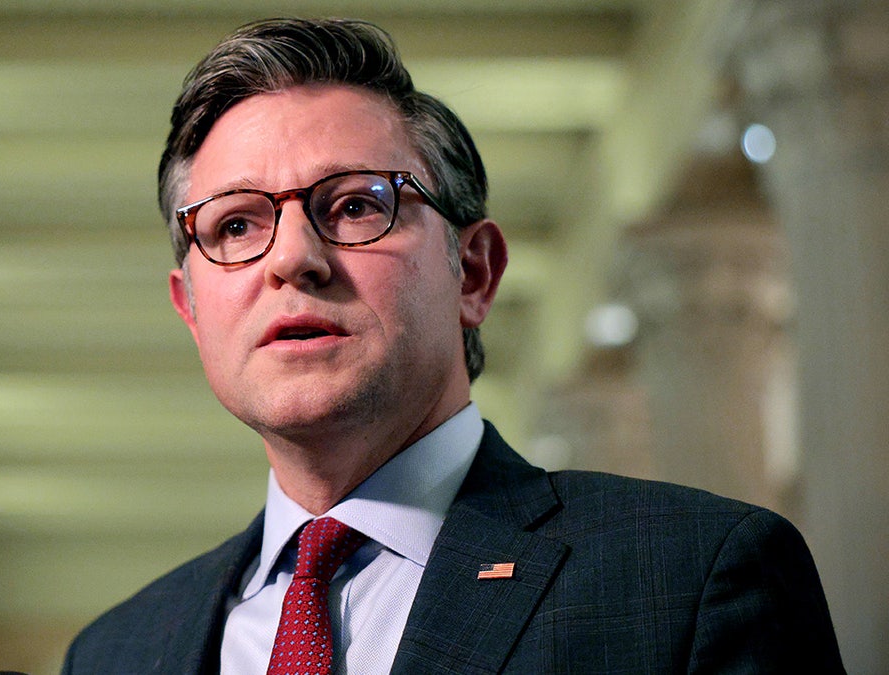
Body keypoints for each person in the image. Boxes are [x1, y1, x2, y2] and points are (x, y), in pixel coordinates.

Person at [63, 17, 843, 674]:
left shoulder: (692, 577)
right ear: (192, 308)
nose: (292, 257)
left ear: (473, 271)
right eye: (236, 224)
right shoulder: (117, 651)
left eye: (357, 205)